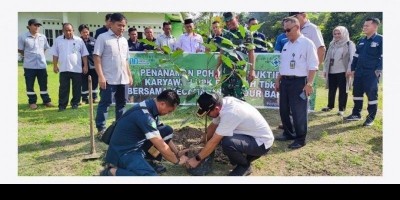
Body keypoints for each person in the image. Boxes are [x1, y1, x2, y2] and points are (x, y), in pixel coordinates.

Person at [101, 89, 189, 176]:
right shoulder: (145, 116)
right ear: (162, 104)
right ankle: (111, 172)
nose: (168, 113)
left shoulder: (150, 105)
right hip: (124, 153)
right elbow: (161, 145)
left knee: (166, 130)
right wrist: (177, 161)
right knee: (150, 177)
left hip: (135, 146)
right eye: (169, 111)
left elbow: (161, 135)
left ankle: (146, 161)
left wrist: (177, 153)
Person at [185, 92, 274, 176]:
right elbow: (213, 126)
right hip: (250, 137)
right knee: (222, 135)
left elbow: (214, 141)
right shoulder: (222, 103)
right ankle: (240, 157)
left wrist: (196, 159)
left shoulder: (231, 113)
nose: (208, 116)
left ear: (216, 109)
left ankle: (244, 166)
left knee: (227, 142)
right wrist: (201, 141)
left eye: (208, 114)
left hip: (261, 144)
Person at [274, 17, 318, 149]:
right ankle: (289, 133)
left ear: (297, 27)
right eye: (285, 30)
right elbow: (283, 66)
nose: (286, 33)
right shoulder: (286, 45)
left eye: (288, 30)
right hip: (285, 82)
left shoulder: (307, 44)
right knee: (284, 110)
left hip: (299, 82)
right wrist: (278, 80)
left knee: (299, 112)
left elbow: (313, 65)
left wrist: (309, 83)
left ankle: (300, 138)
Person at [94, 13, 133, 135]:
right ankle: (101, 129)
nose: (121, 28)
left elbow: (125, 60)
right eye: (119, 25)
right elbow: (96, 57)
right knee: (105, 104)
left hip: (123, 79)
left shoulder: (124, 41)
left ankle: (119, 127)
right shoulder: (103, 37)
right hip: (109, 79)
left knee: (122, 104)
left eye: (123, 26)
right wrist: (101, 76)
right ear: (111, 24)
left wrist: (129, 75)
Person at [345, 18, 382, 127]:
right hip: (359, 72)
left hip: (371, 73)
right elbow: (356, 56)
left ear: (375, 27)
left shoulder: (381, 40)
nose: (364, 27)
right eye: (364, 25)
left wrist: (379, 70)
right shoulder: (362, 40)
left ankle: (370, 118)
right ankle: (356, 114)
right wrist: (352, 68)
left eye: (367, 26)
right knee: (357, 94)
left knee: (371, 95)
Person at [215, 12, 255, 101]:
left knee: (239, 100)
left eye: (230, 20)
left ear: (236, 18)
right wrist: (217, 68)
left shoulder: (246, 33)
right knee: (226, 100)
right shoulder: (225, 35)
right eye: (226, 22)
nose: (229, 23)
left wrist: (252, 70)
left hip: (239, 72)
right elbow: (222, 53)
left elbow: (251, 52)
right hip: (226, 73)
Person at [18, 19, 54, 110]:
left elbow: (45, 48)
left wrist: (39, 55)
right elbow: (20, 49)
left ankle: (46, 101)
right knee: (30, 84)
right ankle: (32, 102)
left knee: (43, 84)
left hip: (42, 65)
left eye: (38, 25)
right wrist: (28, 56)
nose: (37, 27)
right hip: (29, 66)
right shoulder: (23, 37)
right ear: (29, 26)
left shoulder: (43, 36)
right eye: (35, 25)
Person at [52, 23, 89, 111]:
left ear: (73, 31)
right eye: (66, 30)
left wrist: (86, 66)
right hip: (64, 68)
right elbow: (55, 54)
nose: (68, 32)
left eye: (70, 30)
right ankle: (62, 105)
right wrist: (55, 65)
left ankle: (75, 103)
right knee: (63, 88)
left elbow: (84, 54)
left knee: (76, 88)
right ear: (63, 31)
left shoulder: (79, 40)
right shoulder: (58, 40)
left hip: (76, 68)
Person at [322, 26, 356, 116]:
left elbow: (352, 58)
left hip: (343, 71)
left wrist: (349, 69)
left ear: (344, 33)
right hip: (332, 71)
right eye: (335, 33)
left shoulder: (349, 44)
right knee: (331, 89)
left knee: (343, 90)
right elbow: (327, 58)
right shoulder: (332, 43)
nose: (337, 35)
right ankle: (330, 106)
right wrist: (325, 70)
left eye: (339, 33)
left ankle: (341, 109)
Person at [78, 24, 98, 104]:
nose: (85, 34)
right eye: (83, 32)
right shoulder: (78, 41)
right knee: (84, 82)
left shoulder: (94, 40)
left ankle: (94, 97)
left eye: (87, 32)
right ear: (80, 33)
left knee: (95, 81)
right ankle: (84, 99)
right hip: (82, 65)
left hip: (93, 65)